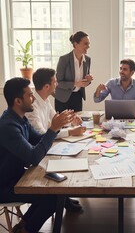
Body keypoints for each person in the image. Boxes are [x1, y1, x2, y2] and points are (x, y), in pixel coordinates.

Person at [0, 77, 73, 233]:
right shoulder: (8, 126)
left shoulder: (20, 119)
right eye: (29, 95)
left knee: (54, 194)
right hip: (5, 186)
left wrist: (56, 127)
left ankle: (23, 227)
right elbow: (33, 157)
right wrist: (53, 129)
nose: (33, 98)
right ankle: (26, 229)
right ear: (18, 101)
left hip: (18, 177)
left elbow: (39, 139)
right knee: (54, 198)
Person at [26, 68, 86, 212]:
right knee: (68, 160)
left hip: (48, 145)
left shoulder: (45, 100)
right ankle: (62, 198)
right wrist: (70, 131)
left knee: (77, 155)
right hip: (39, 151)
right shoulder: (32, 107)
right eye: (55, 82)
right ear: (47, 86)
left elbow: (56, 121)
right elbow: (42, 134)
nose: (57, 84)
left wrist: (71, 120)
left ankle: (64, 197)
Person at [55, 31, 93, 112]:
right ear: (76, 44)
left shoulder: (88, 60)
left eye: (89, 44)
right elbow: (58, 82)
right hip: (63, 98)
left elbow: (84, 83)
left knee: (77, 123)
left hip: (78, 97)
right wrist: (75, 84)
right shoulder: (64, 59)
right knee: (63, 124)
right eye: (85, 43)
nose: (88, 46)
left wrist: (88, 81)